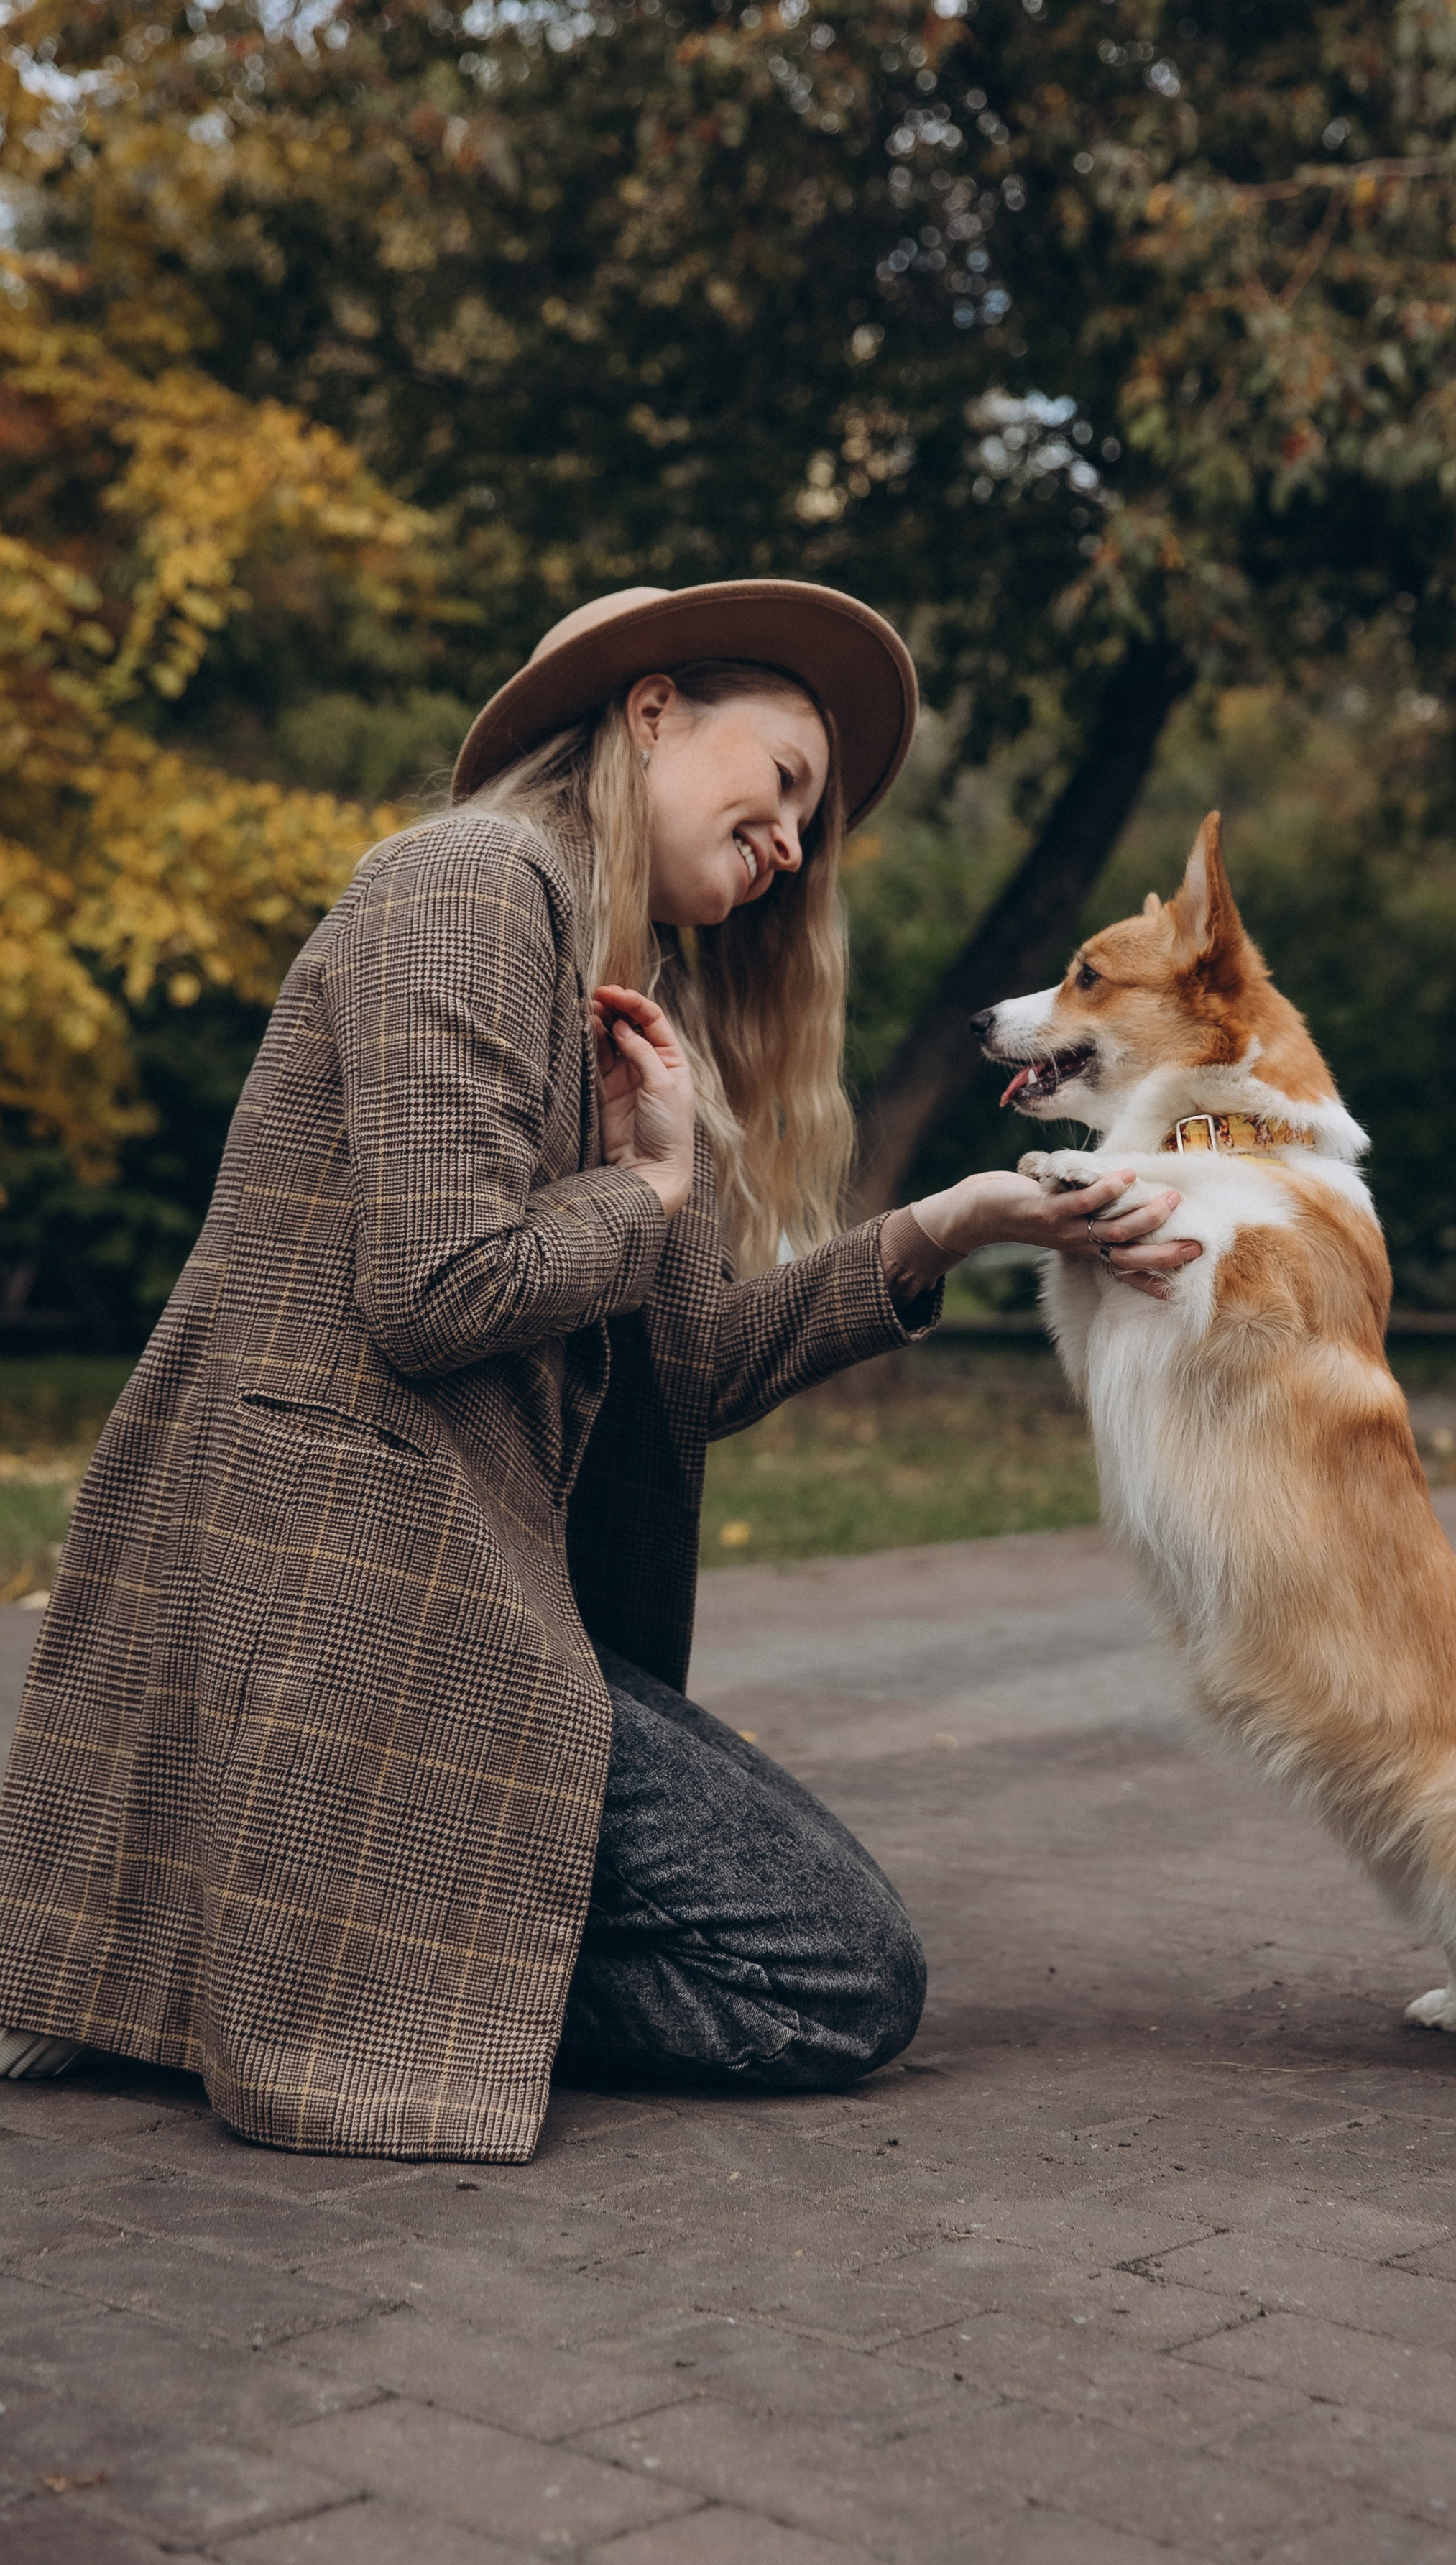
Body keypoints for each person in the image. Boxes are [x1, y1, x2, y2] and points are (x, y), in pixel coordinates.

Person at [0, 579, 1202, 2161]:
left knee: (838, 1965)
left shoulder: (619, 1000)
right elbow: (434, 1292)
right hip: (340, 1588)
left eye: (805, 828)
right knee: (828, 1976)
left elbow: (685, 1373)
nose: (787, 846)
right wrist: (641, 1192)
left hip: (465, 1593)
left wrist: (953, 1225)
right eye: (778, 784)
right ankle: (291, 1963)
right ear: (650, 712)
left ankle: (259, 1948)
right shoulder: (468, 885)